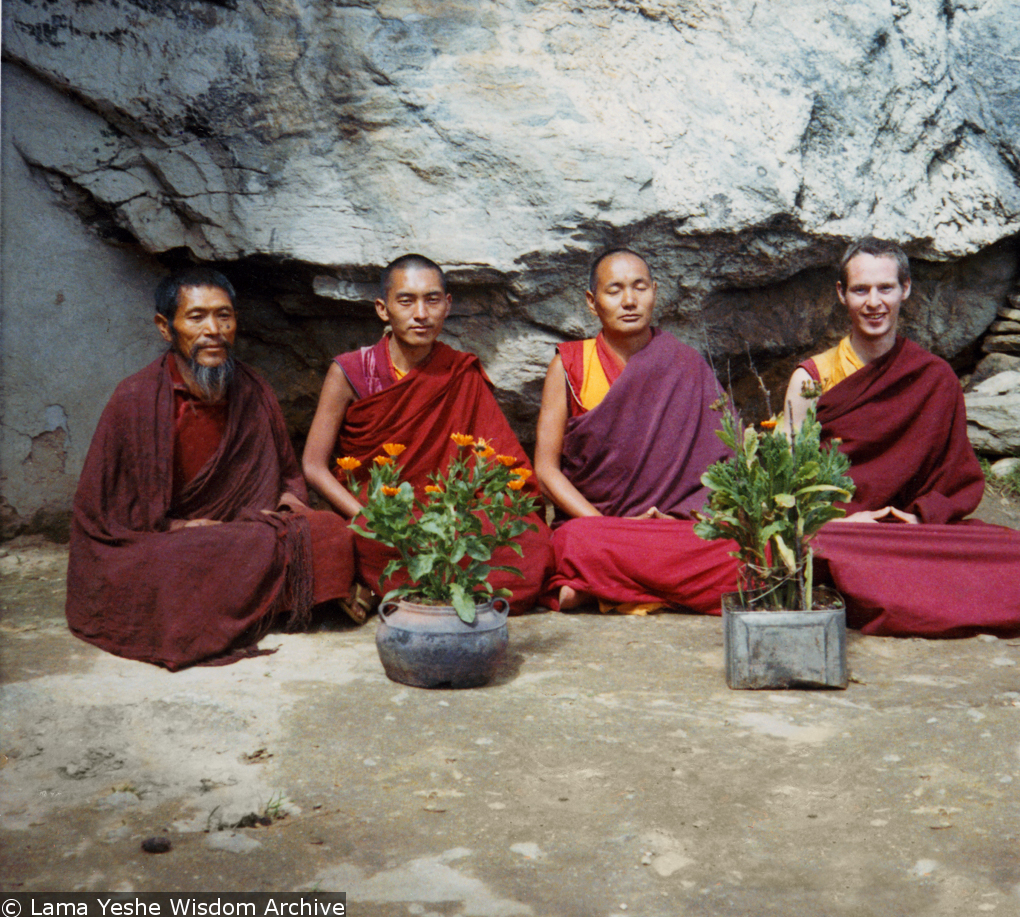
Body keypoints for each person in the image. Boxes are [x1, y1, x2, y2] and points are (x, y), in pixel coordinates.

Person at [67, 268, 356, 671]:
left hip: (242, 534)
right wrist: (180, 529)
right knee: (175, 563)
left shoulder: (253, 389)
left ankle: (230, 601)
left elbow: (288, 479)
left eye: (224, 316)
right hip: (171, 543)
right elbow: (105, 515)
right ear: (166, 328)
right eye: (196, 317)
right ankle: (252, 602)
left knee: (330, 533)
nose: (213, 330)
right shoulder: (134, 398)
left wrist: (288, 510)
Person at [784, 236, 1020, 637]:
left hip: (909, 532)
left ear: (905, 289)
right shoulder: (812, 378)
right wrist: (844, 518)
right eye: (861, 290)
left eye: (885, 288)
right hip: (840, 531)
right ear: (842, 295)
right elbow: (787, 480)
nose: (874, 302)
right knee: (808, 550)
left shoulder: (935, 378)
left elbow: (956, 477)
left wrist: (918, 516)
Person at [302, 254, 553, 615]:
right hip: (383, 518)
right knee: (340, 539)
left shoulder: (459, 372)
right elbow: (313, 465)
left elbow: (504, 463)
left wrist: (467, 515)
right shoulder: (350, 372)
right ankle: (447, 589)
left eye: (432, 299)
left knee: (531, 542)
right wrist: (366, 517)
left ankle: (395, 590)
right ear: (383, 309)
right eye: (406, 300)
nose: (421, 313)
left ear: (447, 305)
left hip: (450, 516)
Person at [534, 248, 740, 614]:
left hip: (670, 527)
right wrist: (606, 525)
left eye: (639, 287)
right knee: (572, 541)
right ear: (591, 301)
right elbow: (546, 471)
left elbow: (732, 460)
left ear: (655, 292)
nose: (629, 301)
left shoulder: (686, 364)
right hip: (597, 526)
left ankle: (601, 587)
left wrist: (687, 517)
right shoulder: (569, 365)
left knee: (739, 549)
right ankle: (650, 585)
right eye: (614, 290)